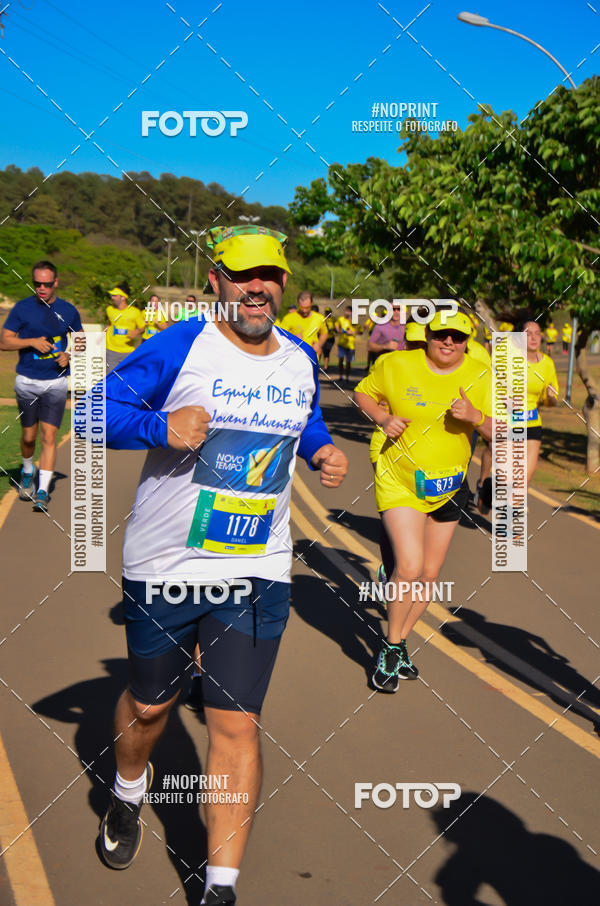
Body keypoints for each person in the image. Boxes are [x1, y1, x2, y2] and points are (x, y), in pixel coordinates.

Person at [95, 224, 347, 905]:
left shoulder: (299, 358)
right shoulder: (183, 345)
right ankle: (126, 792)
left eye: (268, 275)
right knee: (151, 708)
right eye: (241, 275)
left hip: (257, 566)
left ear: (284, 285)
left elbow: (307, 418)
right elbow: (94, 411)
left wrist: (321, 450)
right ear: (216, 283)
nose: (255, 287)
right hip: (167, 562)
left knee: (236, 722)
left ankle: (221, 888)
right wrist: (159, 427)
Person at [354, 310, 492, 691]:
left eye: (457, 337)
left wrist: (475, 415)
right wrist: (383, 417)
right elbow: (363, 393)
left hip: (448, 486)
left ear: (467, 341)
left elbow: (504, 432)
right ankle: (392, 645)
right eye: (440, 335)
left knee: (429, 575)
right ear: (427, 335)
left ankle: (396, 644)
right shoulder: (396, 363)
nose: (448, 342)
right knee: (410, 566)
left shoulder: (482, 373)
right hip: (400, 481)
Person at [0, 259, 82, 513]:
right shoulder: (22, 309)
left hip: (55, 383)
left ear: (55, 283)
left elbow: (81, 341)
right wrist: (32, 341)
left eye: (47, 284)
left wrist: (70, 355)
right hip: (27, 382)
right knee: (28, 436)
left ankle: (43, 491)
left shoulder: (68, 311)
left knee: (49, 437)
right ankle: (27, 469)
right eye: (37, 284)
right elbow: (4, 342)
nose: (42, 288)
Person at [519, 319, 559, 485]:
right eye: (528, 334)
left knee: (525, 477)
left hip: (532, 422)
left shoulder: (547, 364)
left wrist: (550, 397)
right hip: (507, 423)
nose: (534, 338)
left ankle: (517, 508)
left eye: (537, 333)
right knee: (509, 477)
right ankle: (487, 488)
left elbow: (551, 403)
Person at [105, 287, 145, 372]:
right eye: (112, 295)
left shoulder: (135, 312)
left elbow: (142, 327)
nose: (112, 297)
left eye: (115, 295)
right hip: (111, 350)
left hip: (128, 351)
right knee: (111, 377)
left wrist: (136, 331)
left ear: (123, 297)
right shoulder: (109, 310)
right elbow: (110, 323)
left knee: (127, 377)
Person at [335, 304, 359, 383]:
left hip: (350, 345)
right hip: (342, 343)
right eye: (346, 311)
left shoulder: (354, 321)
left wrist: (353, 332)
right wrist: (338, 330)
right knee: (340, 360)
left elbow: (360, 331)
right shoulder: (341, 319)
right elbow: (336, 325)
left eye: (348, 311)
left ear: (352, 313)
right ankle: (341, 376)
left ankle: (347, 378)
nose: (346, 313)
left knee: (348, 362)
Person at [321, 306, 336, 370]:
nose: (327, 313)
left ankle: (326, 366)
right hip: (324, 338)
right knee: (324, 351)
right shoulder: (322, 319)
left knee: (327, 351)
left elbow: (336, 328)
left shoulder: (333, 319)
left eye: (328, 312)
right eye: (326, 312)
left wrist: (333, 329)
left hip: (330, 338)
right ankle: (325, 366)